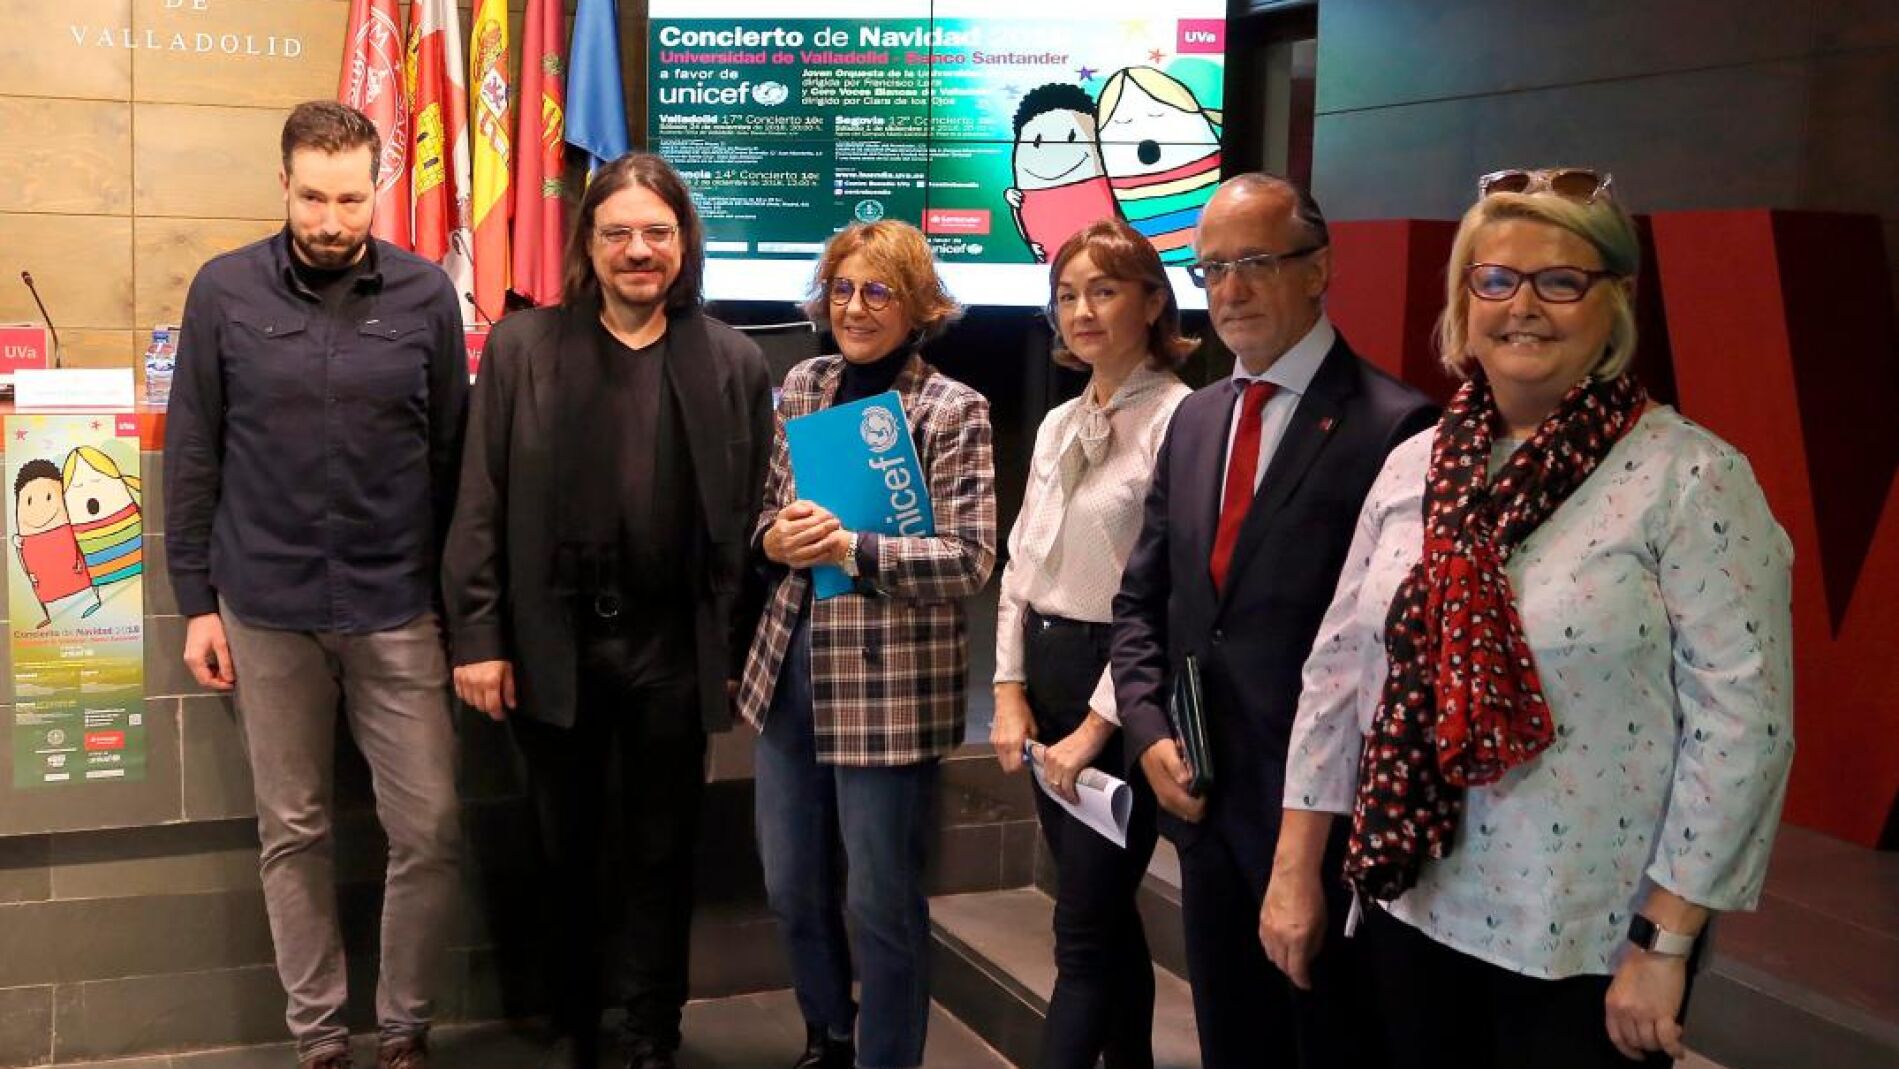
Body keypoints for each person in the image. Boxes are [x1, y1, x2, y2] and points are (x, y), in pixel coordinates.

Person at [1265, 167, 1796, 1069]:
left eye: (1559, 281)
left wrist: (1665, 941)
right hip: (1407, 898)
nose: (1523, 306)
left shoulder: (1689, 477)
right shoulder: (1414, 465)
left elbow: (1743, 728)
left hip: (1583, 940)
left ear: (1613, 301)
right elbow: (1340, 670)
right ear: (1462, 301)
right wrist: (1293, 868)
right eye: (1495, 279)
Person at [441, 152, 774, 1069]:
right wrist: (478, 635)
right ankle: (576, 1025)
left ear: (683, 243)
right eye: (617, 232)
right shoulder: (523, 350)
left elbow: (752, 514)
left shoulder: (733, 360)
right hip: (554, 643)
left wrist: (736, 651)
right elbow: (479, 499)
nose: (638, 250)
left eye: (656, 232)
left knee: (664, 852)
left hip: (674, 648)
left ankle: (652, 1030)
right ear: (587, 244)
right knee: (567, 847)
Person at [164, 100, 468, 1069]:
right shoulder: (223, 290)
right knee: (292, 830)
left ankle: (404, 1026)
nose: (331, 221)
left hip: (397, 605)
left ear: (378, 188)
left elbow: (454, 459)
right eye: (311, 198)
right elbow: (195, 452)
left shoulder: (426, 296)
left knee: (431, 826)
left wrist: (463, 609)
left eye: (349, 199)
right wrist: (196, 602)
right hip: (265, 605)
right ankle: (321, 1038)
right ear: (283, 185)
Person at [1110, 172, 1437, 1069]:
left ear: (1318, 267)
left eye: (1254, 262)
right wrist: (1146, 729)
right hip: (1202, 801)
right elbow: (1142, 603)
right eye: (1211, 269)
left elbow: (1391, 656)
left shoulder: (1398, 426)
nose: (1230, 290)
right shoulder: (1194, 420)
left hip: (1321, 825)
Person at [736, 220, 997, 1069]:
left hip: (888, 687)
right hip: (790, 670)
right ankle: (830, 1033)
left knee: (880, 900)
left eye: (878, 291)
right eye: (842, 289)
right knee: (788, 882)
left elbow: (969, 558)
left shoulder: (952, 408)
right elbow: (765, 508)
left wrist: (852, 548)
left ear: (917, 305)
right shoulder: (804, 383)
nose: (854, 307)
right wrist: (773, 537)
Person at [989, 217, 1192, 1069]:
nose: (1082, 311)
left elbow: (1165, 599)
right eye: (1067, 295)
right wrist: (1007, 688)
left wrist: (1099, 727)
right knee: (1104, 920)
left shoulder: (1182, 420)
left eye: (1103, 291)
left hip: (1120, 688)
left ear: (1150, 302)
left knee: (1079, 932)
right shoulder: (1057, 423)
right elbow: (1021, 563)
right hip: (1046, 675)